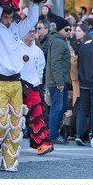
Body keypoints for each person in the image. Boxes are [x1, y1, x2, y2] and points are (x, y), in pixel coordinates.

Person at [0, 2, 39, 172]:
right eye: (5, 17)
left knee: (15, 124)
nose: (8, 20)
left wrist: (35, 0)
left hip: (15, 82)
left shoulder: (15, 29)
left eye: (10, 17)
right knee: (0, 121)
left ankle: (9, 160)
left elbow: (33, 19)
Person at [20, 27, 53, 155]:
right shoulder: (15, 47)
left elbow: (40, 70)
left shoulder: (38, 51)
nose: (33, 33)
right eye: (30, 30)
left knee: (37, 115)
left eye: (34, 30)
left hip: (33, 87)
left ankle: (42, 143)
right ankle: (3, 141)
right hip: (17, 85)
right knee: (11, 116)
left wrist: (39, 85)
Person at [45, 16, 72, 145]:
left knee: (60, 107)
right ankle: (53, 135)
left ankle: (54, 133)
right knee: (57, 108)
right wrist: (59, 82)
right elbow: (55, 63)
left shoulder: (60, 40)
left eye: (70, 29)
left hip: (59, 81)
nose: (69, 32)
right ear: (60, 30)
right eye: (67, 29)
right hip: (57, 82)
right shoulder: (58, 42)